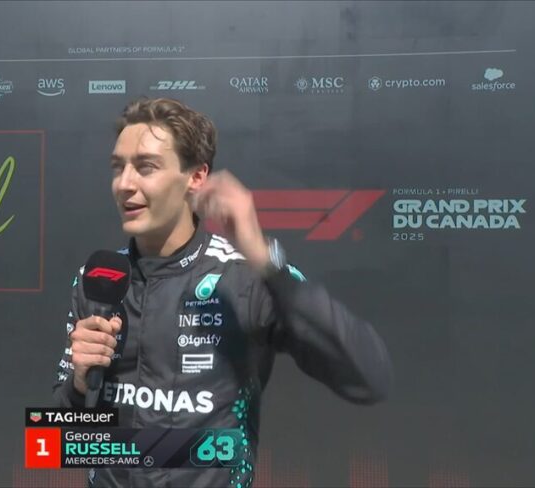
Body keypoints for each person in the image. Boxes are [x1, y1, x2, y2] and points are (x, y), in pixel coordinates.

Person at [52, 97, 393, 488]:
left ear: (196, 177)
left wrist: (266, 261)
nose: (125, 184)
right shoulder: (97, 278)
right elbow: (56, 443)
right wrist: (79, 385)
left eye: (145, 166)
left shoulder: (244, 278)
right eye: (118, 167)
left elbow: (369, 376)